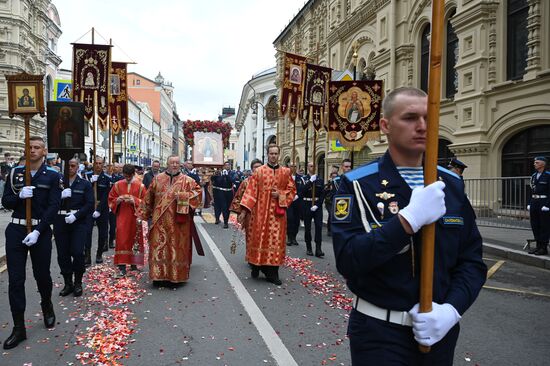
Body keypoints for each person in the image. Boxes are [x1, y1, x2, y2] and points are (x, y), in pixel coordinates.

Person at [331, 87, 487, 364]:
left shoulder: (450, 184)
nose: (422, 126)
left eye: (429, 117)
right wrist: (406, 221)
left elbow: (471, 260)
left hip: (439, 332)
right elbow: (349, 259)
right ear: (385, 125)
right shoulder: (357, 184)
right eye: (410, 118)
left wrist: (452, 309)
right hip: (379, 333)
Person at [1, 136, 61, 349]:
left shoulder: (53, 176)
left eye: (37, 147)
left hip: (40, 230)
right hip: (16, 229)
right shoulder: (15, 173)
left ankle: (47, 304)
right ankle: (19, 328)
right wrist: (19, 197)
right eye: (30, 147)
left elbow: (54, 206)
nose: (33, 150)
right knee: (15, 280)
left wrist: (38, 231)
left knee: (42, 275)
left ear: (44, 152)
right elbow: (5, 201)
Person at [140, 155, 202, 285]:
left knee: (176, 248)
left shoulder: (188, 181)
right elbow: (148, 198)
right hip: (159, 221)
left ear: (180, 165)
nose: (174, 165)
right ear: (167, 164)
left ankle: (176, 277)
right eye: (172, 163)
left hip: (179, 222)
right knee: (158, 249)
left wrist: (183, 196)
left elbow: (198, 193)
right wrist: (142, 216)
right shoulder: (157, 179)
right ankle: (158, 277)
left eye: (177, 163)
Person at [239, 145, 296, 285]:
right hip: (260, 213)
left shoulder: (286, 172)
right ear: (267, 154)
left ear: (279, 155)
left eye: (276, 153)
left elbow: (292, 190)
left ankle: (273, 273)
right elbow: (251, 192)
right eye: (271, 153)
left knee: (275, 241)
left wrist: (281, 195)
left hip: (278, 216)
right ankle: (256, 266)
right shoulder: (259, 171)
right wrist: (244, 210)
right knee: (259, 239)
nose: (273, 156)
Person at [54, 158, 94, 297]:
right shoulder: (57, 183)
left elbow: (89, 204)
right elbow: (49, 202)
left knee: (77, 252)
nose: (70, 168)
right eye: (68, 166)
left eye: (73, 166)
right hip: (60, 220)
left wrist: (76, 215)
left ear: (78, 167)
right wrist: (59, 196)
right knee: (63, 254)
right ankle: (68, 283)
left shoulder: (85, 184)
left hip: (78, 222)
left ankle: (78, 282)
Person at [108, 164, 147, 277]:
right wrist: (118, 200)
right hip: (122, 217)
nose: (128, 178)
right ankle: (122, 266)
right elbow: (111, 199)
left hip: (135, 217)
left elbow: (146, 203)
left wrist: (134, 200)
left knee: (135, 239)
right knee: (122, 239)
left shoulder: (140, 186)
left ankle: (134, 264)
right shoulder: (117, 185)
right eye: (126, 176)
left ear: (133, 174)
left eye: (130, 176)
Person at [231, 159, 262, 253]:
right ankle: (250, 256)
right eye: (255, 167)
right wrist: (239, 213)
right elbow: (238, 197)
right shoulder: (246, 182)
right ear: (252, 169)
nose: (258, 169)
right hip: (249, 213)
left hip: (263, 213)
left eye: (260, 167)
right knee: (250, 235)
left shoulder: (267, 181)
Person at [84, 157, 111, 265]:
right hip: (89, 207)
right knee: (87, 232)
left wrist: (99, 209)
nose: (98, 165)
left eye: (100, 163)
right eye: (96, 163)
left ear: (103, 164)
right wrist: (91, 182)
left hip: (102, 208)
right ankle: (87, 255)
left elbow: (107, 195)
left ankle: (99, 253)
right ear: (93, 164)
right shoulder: (87, 176)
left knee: (103, 233)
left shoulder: (107, 178)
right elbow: (85, 192)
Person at [527, 156, 550, 255]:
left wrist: (548, 205)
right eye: (534, 162)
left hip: (544, 202)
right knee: (535, 225)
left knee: (544, 226)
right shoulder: (533, 176)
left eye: (537, 162)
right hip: (534, 202)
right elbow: (530, 190)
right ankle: (538, 246)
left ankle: (543, 248)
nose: (534, 164)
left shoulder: (548, 175)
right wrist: (529, 203)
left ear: (543, 164)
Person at [211, 161, 235, 228]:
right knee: (221, 206)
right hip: (220, 192)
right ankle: (222, 220)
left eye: (228, 165)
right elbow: (217, 181)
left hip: (228, 192)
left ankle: (226, 220)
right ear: (223, 166)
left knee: (227, 208)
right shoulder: (219, 173)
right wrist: (217, 175)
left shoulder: (232, 173)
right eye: (225, 165)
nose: (227, 166)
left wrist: (227, 175)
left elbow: (233, 180)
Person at [286, 163, 305, 246]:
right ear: (288, 167)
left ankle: (294, 237)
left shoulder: (300, 178)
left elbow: (303, 189)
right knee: (289, 219)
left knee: (296, 220)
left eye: (295, 166)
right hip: (288, 202)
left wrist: (298, 195)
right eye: (291, 166)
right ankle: (289, 237)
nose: (293, 168)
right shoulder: (285, 177)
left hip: (298, 202)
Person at [109, 163, 124, 249]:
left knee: (114, 224)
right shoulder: (109, 177)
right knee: (110, 225)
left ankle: (112, 239)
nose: (118, 169)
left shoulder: (122, 179)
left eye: (120, 167)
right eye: (116, 167)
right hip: (110, 202)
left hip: (118, 204)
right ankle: (109, 240)